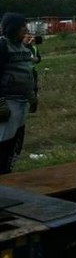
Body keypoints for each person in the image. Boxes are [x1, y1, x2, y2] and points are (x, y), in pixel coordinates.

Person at [0, 13, 35, 174]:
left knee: (15, 141)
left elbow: (29, 72)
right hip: (9, 102)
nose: (26, 30)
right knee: (4, 140)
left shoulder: (23, 47)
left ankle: (7, 173)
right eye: (22, 27)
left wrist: (33, 96)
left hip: (22, 101)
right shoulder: (2, 46)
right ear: (13, 28)